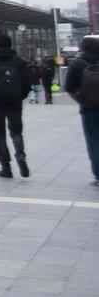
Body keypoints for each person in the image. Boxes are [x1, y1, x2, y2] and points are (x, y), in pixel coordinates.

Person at [0, 33, 35, 178]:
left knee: (0, 135)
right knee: (16, 132)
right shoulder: (18, 61)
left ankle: (6, 167)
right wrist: (20, 96)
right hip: (15, 102)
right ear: (10, 44)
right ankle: (20, 155)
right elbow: (27, 82)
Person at [62, 35, 99, 187]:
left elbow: (69, 88)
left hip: (88, 108)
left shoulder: (77, 64)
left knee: (94, 141)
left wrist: (81, 101)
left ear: (82, 48)